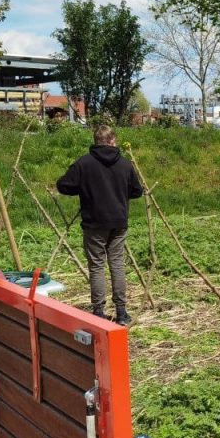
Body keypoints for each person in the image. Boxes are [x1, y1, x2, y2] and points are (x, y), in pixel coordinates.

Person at [57, 124, 144, 325]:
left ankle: (98, 312)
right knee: (117, 263)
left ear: (96, 141)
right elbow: (136, 191)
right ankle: (121, 312)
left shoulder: (83, 163)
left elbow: (63, 185)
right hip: (118, 221)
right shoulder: (124, 164)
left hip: (94, 222)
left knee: (96, 266)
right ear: (113, 140)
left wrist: (83, 190)